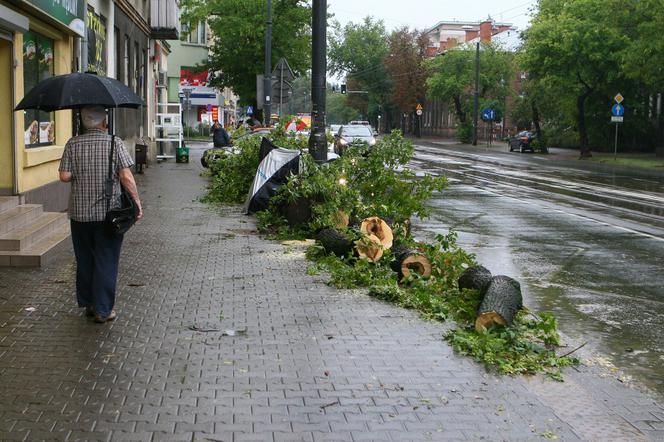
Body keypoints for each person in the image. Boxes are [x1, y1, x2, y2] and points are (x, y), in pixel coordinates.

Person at [58, 106, 142, 324]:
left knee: (85, 259)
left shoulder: (72, 143)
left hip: (79, 214)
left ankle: (88, 304)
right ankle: (103, 311)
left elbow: (64, 176)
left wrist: (81, 170)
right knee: (106, 260)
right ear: (104, 122)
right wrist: (137, 203)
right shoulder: (114, 143)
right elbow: (126, 177)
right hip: (108, 214)